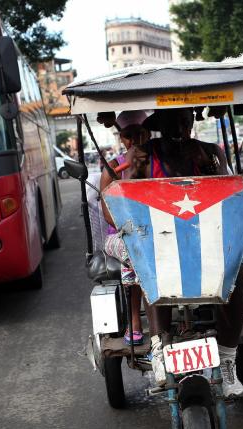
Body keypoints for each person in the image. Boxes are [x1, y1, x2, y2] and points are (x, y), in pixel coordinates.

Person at [124, 107, 243, 398]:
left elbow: (229, 191)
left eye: (184, 122)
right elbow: (126, 195)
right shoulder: (142, 153)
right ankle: (159, 349)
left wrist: (210, 170)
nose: (179, 129)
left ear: (192, 123)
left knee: (238, 270)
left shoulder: (210, 150)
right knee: (152, 268)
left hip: (205, 236)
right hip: (160, 237)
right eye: (172, 123)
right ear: (160, 126)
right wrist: (137, 170)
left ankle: (228, 358)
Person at [99, 110, 150, 346]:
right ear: (122, 138)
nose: (135, 140)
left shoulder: (156, 161)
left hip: (154, 231)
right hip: (121, 235)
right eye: (129, 135)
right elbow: (108, 212)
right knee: (137, 251)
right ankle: (134, 322)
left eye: (140, 133)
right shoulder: (113, 166)